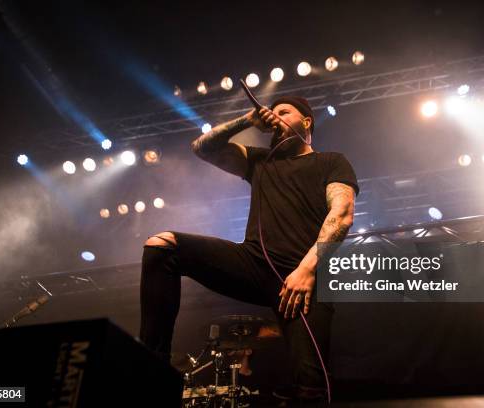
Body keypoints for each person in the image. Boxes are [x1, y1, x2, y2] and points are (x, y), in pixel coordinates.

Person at [139, 96, 358, 401]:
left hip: (304, 277)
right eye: (273, 112)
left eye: (285, 112)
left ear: (306, 122)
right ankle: (152, 368)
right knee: (162, 246)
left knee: (312, 385)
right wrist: (246, 121)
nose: (276, 117)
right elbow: (202, 147)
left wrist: (306, 271)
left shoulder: (331, 161)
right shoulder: (258, 161)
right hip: (253, 263)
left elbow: (342, 215)